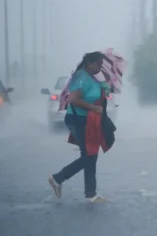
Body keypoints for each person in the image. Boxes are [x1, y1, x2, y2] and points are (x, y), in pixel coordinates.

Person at [48, 51, 108, 203]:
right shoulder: (81, 77)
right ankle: (58, 178)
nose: (100, 67)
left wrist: (104, 88)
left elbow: (92, 94)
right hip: (78, 119)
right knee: (89, 155)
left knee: (90, 155)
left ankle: (90, 194)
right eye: (98, 64)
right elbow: (73, 99)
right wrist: (94, 108)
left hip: (87, 120)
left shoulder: (90, 78)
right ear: (89, 63)